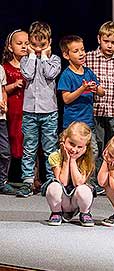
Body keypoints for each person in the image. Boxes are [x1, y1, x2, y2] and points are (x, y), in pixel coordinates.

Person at [16, 21, 61, 198]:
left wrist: (43, 56)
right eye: (33, 45)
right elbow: (27, 74)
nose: (36, 48)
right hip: (30, 112)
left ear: (49, 42)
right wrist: (34, 56)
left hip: (49, 111)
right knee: (29, 147)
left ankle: (51, 180)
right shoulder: (26, 60)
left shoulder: (54, 60)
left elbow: (50, 74)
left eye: (41, 45)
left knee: (50, 148)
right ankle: (28, 181)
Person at [85, 21, 114, 172]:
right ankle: (98, 176)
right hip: (96, 108)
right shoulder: (89, 57)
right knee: (97, 144)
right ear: (99, 39)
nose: (109, 45)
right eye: (106, 41)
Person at [57, 35, 105, 161]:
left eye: (82, 50)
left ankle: (88, 179)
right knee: (70, 152)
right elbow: (66, 99)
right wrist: (82, 89)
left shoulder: (88, 72)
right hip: (72, 123)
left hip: (88, 122)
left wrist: (96, 89)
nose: (81, 54)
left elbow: (101, 92)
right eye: (76, 51)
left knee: (93, 150)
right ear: (66, 55)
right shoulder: (66, 75)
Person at [45, 122, 96, 227]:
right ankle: (56, 212)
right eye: (71, 144)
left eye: (79, 147)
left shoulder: (87, 159)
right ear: (64, 139)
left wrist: (73, 160)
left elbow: (78, 183)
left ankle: (85, 213)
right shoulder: (55, 156)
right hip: (62, 200)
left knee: (84, 189)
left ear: (85, 147)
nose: (74, 149)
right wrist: (66, 160)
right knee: (53, 186)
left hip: (76, 201)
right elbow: (62, 181)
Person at [2, 29, 28, 186]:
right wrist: (13, 85)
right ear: (10, 47)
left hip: (29, 110)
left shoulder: (32, 66)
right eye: (20, 44)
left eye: (27, 43)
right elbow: (1, 88)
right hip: (12, 110)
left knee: (29, 142)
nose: (24, 46)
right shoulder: (5, 67)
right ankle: (7, 176)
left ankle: (32, 178)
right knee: (10, 140)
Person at [0, 64, 13, 195]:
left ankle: (2, 181)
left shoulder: (1, 69)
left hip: (1, 118)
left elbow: (3, 90)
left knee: (5, 151)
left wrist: (5, 103)